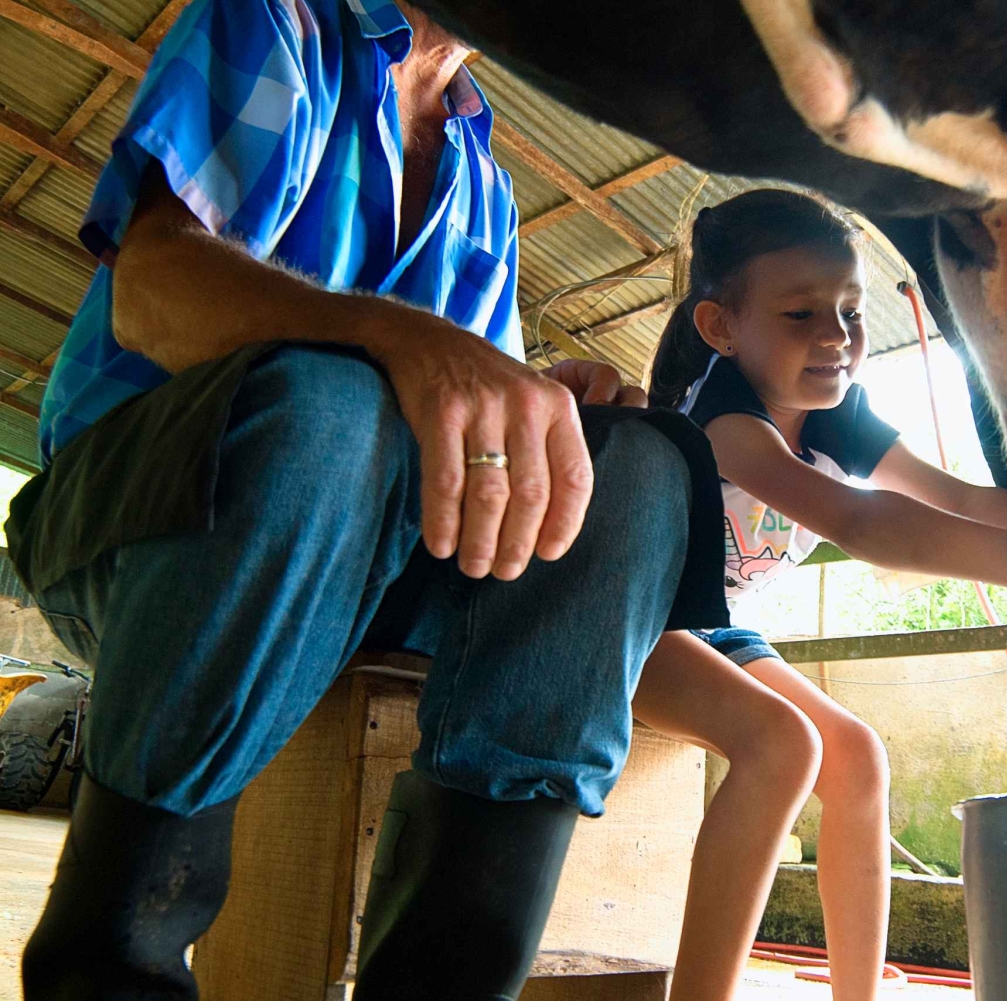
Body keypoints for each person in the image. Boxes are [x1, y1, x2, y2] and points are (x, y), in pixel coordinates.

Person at [8, 1, 728, 998]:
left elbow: (474, 432)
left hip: (369, 550)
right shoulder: (278, 26)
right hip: (145, 516)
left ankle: (446, 977)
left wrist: (546, 404)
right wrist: (396, 339)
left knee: (635, 476)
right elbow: (152, 288)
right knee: (326, 404)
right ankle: (111, 956)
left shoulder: (484, 179)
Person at [633, 189, 1007, 1001]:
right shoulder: (725, 424)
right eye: (801, 314)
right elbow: (865, 523)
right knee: (787, 746)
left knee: (858, 757)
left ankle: (857, 993)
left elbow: (964, 500)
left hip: (719, 633)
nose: (836, 337)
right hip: (634, 621)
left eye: (849, 309)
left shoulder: (837, 413)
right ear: (721, 328)